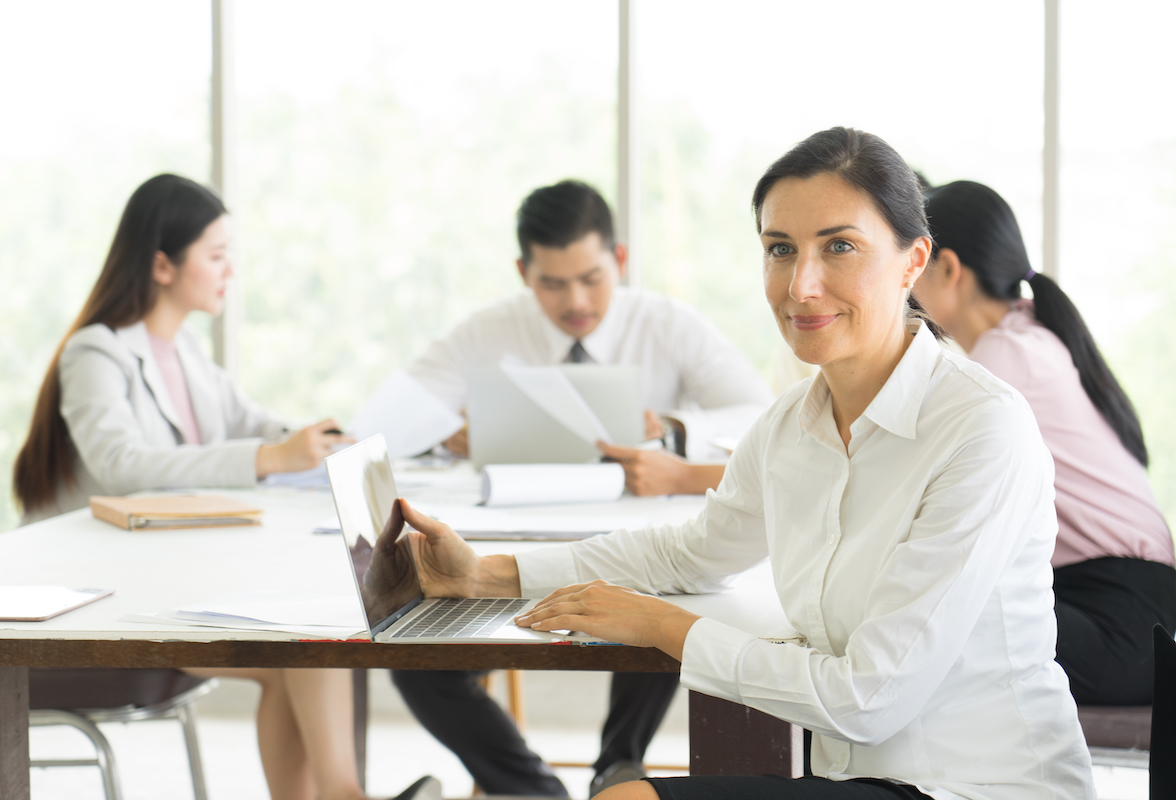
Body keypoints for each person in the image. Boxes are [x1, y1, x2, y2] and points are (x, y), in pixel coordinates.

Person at [395, 128, 1096, 799]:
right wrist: (486, 572)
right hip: (855, 780)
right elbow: (688, 553)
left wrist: (659, 625)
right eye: (781, 249)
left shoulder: (981, 429)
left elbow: (868, 699)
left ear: (914, 261)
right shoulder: (790, 425)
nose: (802, 285)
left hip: (976, 786)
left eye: (841, 247)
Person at [12, 174, 438, 800]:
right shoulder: (95, 353)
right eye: (215, 255)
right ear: (162, 264)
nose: (229, 271)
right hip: (90, 613)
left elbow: (253, 423)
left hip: (161, 586)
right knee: (306, 642)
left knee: (308, 642)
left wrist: (324, 439)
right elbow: (123, 465)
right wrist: (270, 454)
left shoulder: (183, 353)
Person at [397, 179, 779, 797]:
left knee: (667, 597)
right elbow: (396, 414)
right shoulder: (489, 329)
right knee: (422, 662)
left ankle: (616, 767)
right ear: (524, 272)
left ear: (619, 260)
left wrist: (677, 429)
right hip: (512, 532)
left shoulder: (666, 323)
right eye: (552, 283)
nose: (575, 300)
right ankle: (532, 791)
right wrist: (448, 432)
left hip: (641, 533)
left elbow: (761, 415)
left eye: (591, 278)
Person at [911, 179, 1176, 705]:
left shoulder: (1007, 359)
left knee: (931, 620)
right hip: (1121, 603)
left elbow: (907, 467)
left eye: (913, 263)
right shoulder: (1026, 335)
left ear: (948, 268)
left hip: (1125, 617)